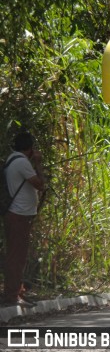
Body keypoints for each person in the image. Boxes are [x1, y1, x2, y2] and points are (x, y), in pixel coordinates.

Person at [3, 131, 46, 307]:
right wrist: (38, 162)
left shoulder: (12, 159)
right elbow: (40, 184)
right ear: (29, 148)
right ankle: (12, 295)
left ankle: (16, 290)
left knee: (17, 255)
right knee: (17, 257)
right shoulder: (21, 162)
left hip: (17, 214)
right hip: (19, 215)